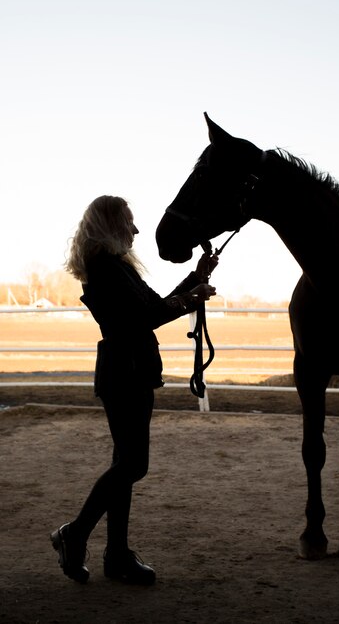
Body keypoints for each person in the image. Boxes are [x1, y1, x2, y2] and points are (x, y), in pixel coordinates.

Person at [51, 195, 217, 585]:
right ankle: (74, 534)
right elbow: (146, 318)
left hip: (130, 372)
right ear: (110, 225)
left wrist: (196, 276)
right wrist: (190, 298)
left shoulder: (115, 267)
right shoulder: (106, 268)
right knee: (133, 465)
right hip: (125, 374)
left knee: (124, 465)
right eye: (129, 221)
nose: (137, 230)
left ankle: (117, 555)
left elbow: (154, 306)